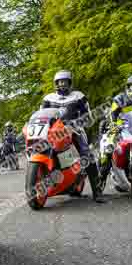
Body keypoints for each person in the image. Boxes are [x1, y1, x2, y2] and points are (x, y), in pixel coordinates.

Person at [40, 70, 105, 203]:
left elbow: (88, 114)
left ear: (70, 82)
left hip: (74, 129)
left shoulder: (78, 96)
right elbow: (41, 115)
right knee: (43, 151)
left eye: (65, 81)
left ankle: (97, 192)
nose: (62, 84)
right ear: (55, 83)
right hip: (54, 130)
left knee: (86, 154)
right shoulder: (48, 98)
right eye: (59, 82)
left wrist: (80, 123)